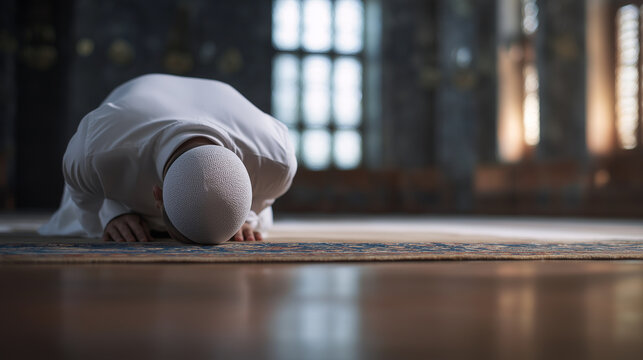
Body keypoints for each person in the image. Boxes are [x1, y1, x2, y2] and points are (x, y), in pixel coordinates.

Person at [39, 74, 297, 244]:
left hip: (219, 98)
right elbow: (84, 205)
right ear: (158, 195)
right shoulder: (95, 150)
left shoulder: (277, 160)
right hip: (135, 96)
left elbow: (261, 204)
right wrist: (111, 216)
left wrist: (244, 217)